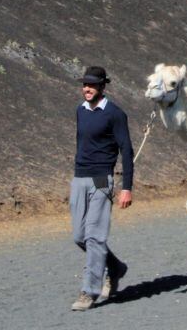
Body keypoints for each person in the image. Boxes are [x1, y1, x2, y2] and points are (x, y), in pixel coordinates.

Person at [70, 66, 133, 311]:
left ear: (102, 87)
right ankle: (116, 267)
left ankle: (89, 291)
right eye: (85, 84)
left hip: (101, 180)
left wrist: (126, 187)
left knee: (95, 236)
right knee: (79, 236)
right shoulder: (81, 111)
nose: (87, 89)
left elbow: (126, 151)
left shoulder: (114, 114)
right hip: (80, 178)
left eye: (92, 85)